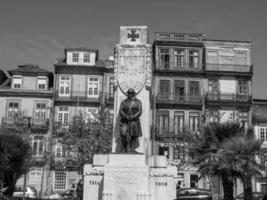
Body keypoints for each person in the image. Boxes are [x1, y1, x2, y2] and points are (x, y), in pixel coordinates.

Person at [119, 88, 142, 153]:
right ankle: (124, 148)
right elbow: (120, 111)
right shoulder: (124, 102)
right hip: (125, 121)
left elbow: (140, 111)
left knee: (134, 135)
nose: (130, 94)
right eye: (129, 93)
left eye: (131, 93)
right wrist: (126, 116)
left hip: (134, 121)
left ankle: (132, 149)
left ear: (134, 94)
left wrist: (133, 116)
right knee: (123, 135)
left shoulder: (138, 102)